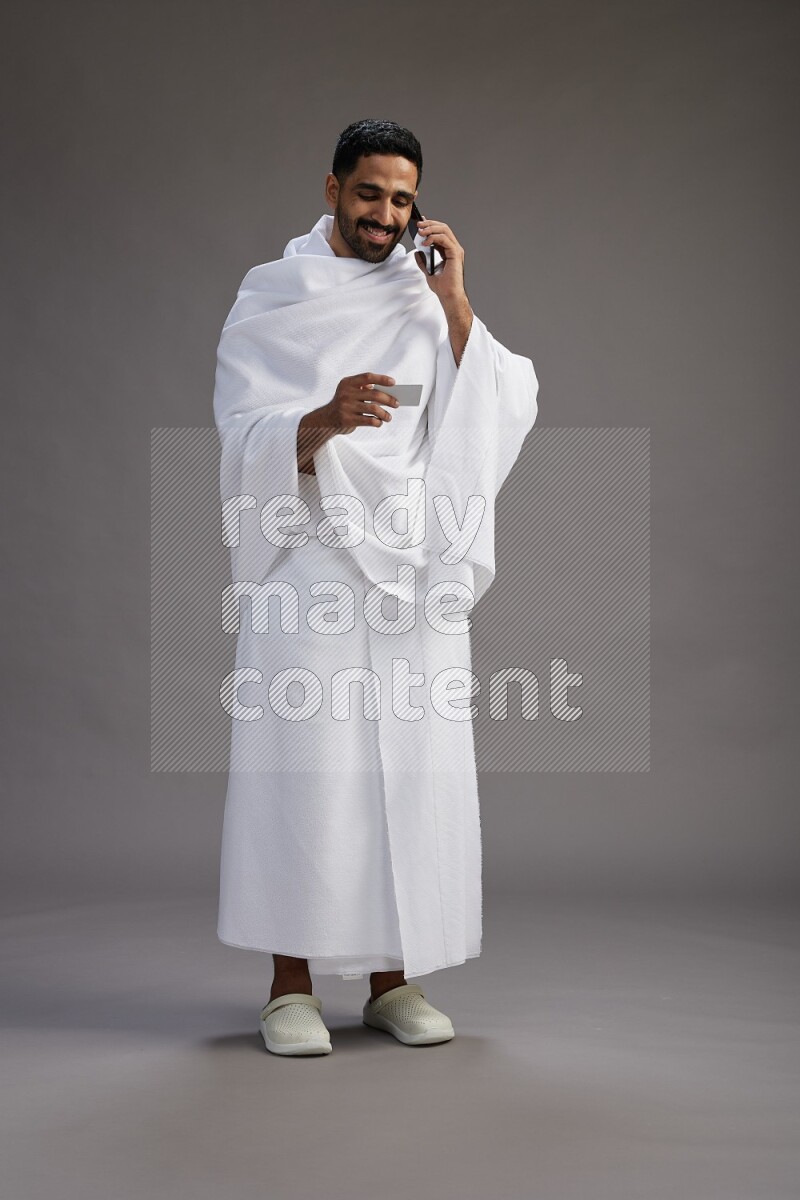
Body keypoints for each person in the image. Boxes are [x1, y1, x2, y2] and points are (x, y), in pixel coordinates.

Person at [213, 119, 539, 1056]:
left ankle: (395, 981)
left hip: (411, 565)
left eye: (402, 199)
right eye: (369, 194)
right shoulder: (273, 296)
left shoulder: (426, 297)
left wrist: (456, 299)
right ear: (332, 189)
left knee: (411, 769)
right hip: (309, 561)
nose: (386, 215)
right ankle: (289, 989)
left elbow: (504, 404)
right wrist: (320, 419)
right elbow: (241, 434)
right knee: (305, 769)